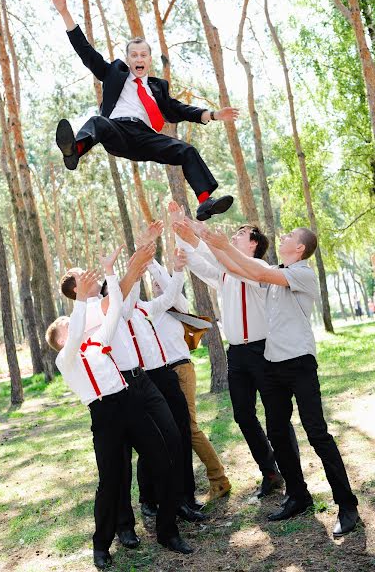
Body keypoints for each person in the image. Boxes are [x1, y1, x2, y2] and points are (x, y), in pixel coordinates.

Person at [202, 226, 360, 537]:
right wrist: (210, 242)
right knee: (277, 431)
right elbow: (241, 267)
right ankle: (298, 495)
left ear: (300, 248)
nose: (283, 237)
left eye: (289, 236)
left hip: (300, 364)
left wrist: (223, 245)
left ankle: (347, 504)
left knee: (317, 433)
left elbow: (253, 269)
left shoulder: (303, 274)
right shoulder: (275, 271)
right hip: (273, 365)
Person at [49, 0, 236, 221]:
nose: (138, 59)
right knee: (98, 122)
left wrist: (214, 114)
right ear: (128, 59)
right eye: (134, 55)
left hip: (145, 137)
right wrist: (65, 13)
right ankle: (74, 150)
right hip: (117, 130)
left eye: (143, 55)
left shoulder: (157, 87)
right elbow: (86, 52)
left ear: (149, 60)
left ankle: (204, 202)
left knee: (186, 150)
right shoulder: (113, 73)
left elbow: (179, 109)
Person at [59, 245, 194, 556]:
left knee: (165, 454)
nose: (89, 274)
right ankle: (106, 541)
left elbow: (118, 307)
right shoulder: (68, 350)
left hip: (131, 397)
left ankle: (167, 529)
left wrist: (111, 270)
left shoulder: (97, 340)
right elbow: (87, 321)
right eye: (83, 275)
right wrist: (86, 297)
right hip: (104, 415)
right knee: (112, 477)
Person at [171, 202, 298, 499]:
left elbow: (220, 258)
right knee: (243, 415)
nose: (234, 235)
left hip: (263, 351)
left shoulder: (261, 271)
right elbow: (199, 260)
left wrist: (203, 236)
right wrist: (181, 228)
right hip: (237, 354)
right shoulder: (224, 273)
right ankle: (270, 472)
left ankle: (293, 477)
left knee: (276, 416)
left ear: (253, 243)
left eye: (240, 233)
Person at [122, 248, 205, 522]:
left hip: (168, 375)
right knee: (154, 441)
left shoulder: (146, 308)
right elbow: (129, 293)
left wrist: (177, 268)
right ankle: (149, 498)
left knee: (181, 433)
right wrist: (135, 272)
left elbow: (170, 296)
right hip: (145, 380)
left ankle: (185, 497)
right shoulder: (121, 316)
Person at [148, 257, 232, 502]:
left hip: (181, 370)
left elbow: (169, 282)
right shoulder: (153, 310)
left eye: (159, 280)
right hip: (163, 374)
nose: (155, 284)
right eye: (152, 282)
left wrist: (151, 260)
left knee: (190, 427)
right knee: (174, 430)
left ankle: (219, 479)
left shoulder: (178, 303)